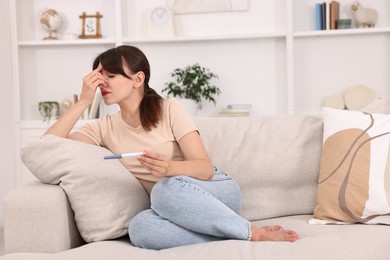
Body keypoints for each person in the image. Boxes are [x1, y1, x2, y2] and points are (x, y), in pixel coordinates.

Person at [44, 45, 300, 250]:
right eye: (100, 78)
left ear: (137, 79)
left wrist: (169, 168)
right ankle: (230, 234)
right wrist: (83, 102)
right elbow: (47, 147)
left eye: (110, 76)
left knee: (164, 188)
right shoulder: (102, 128)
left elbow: (205, 168)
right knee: (140, 228)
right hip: (173, 209)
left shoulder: (169, 109)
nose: (102, 83)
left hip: (213, 193)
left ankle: (250, 232)